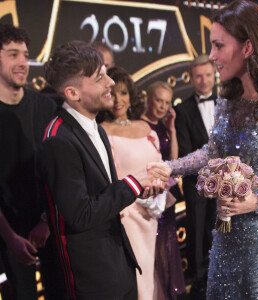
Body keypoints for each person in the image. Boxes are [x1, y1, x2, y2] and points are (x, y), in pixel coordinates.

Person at [153, 0, 258, 298]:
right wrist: (170, 167)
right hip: (225, 234)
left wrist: (255, 203)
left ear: (247, 47)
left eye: (219, 45)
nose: (211, 56)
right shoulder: (228, 98)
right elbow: (212, 151)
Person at [37, 41, 170, 299]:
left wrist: (138, 191)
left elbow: (103, 193)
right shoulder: (57, 141)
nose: (111, 82)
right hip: (91, 279)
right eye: (100, 78)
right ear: (73, 93)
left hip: (119, 263)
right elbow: (80, 215)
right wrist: (133, 183)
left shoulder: (95, 127)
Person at [0, 23, 64, 299]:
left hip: (51, 226)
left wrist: (46, 221)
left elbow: (59, 171)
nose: (23, 63)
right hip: (7, 235)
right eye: (13, 54)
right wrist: (9, 237)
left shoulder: (46, 106)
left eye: (25, 55)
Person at [101, 67, 173, 300]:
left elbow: (161, 166)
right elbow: (109, 177)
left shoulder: (145, 128)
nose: (118, 100)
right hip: (127, 214)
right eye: (111, 93)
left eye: (122, 92)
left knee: (151, 271)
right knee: (137, 272)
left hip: (152, 211)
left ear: (131, 95)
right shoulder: (103, 131)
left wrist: (157, 196)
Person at [174, 54, 217, 298]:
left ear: (214, 75)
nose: (204, 81)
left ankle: (219, 272)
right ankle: (199, 280)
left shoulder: (228, 103)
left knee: (220, 227)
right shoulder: (182, 109)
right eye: (199, 76)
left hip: (227, 180)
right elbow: (185, 149)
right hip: (196, 182)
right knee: (197, 230)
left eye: (208, 75)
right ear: (191, 78)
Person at [141, 81, 186, 299]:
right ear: (148, 98)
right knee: (151, 247)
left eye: (167, 102)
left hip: (164, 198)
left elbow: (173, 161)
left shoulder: (163, 127)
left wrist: (172, 130)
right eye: (159, 100)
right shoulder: (138, 126)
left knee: (167, 245)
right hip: (147, 198)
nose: (162, 106)